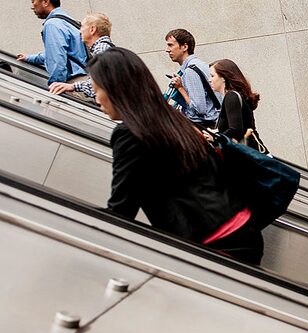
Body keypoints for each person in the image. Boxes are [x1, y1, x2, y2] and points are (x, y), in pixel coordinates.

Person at [90, 47, 263, 265]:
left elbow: (121, 209)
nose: (96, 99)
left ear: (116, 88)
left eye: (97, 89)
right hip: (243, 230)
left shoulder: (130, 133)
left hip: (217, 242)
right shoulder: (172, 118)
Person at [17, 0, 86, 85]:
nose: (32, 6)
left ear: (45, 1)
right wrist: (29, 58)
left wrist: (55, 85)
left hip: (74, 83)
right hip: (87, 81)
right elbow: (58, 53)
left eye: (33, 1)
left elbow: (57, 59)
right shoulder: (69, 21)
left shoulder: (52, 24)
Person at [48, 13, 115, 100]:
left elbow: (99, 84)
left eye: (82, 27)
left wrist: (72, 86)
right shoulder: (105, 48)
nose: (80, 31)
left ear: (92, 29)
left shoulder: (101, 49)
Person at [164, 29, 220, 128]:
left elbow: (199, 109)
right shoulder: (199, 65)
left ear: (185, 47)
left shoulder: (191, 71)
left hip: (203, 127)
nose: (167, 50)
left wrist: (180, 88)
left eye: (170, 45)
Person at [208, 59, 267, 152]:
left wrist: (215, 137)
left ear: (223, 78)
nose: (209, 80)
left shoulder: (231, 96)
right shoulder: (235, 95)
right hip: (251, 151)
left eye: (212, 76)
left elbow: (235, 130)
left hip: (249, 154)